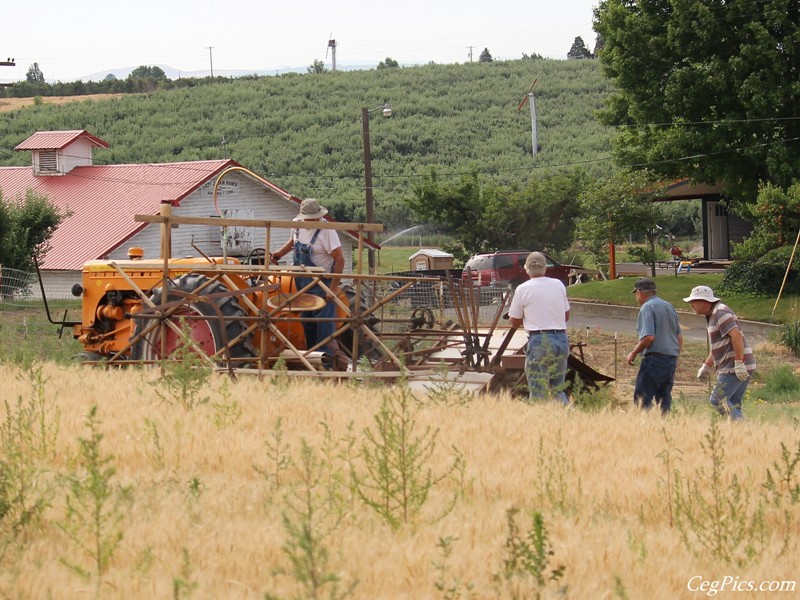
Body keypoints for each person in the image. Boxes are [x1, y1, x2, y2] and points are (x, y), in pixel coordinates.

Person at [270, 198, 345, 364]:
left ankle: (326, 361)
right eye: (309, 218)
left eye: (315, 218)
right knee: (306, 320)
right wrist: (279, 254)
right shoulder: (297, 225)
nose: (312, 221)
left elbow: (339, 259)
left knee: (324, 325)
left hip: (322, 284)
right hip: (302, 282)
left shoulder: (327, 231)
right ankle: (312, 359)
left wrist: (332, 288)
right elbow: (293, 243)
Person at [683, 285, 756, 421]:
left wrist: (739, 363)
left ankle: (745, 429)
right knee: (733, 404)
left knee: (717, 400)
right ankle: (740, 437)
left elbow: (736, 336)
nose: (691, 305)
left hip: (733, 366)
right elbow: (719, 346)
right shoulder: (713, 314)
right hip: (739, 364)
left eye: (693, 301)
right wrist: (706, 366)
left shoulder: (720, 313)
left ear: (704, 301)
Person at [507, 252, 571, 404]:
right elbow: (566, 316)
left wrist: (528, 318)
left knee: (538, 390)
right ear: (545, 268)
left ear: (526, 269)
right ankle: (570, 418)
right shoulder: (558, 285)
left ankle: (539, 421)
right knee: (557, 389)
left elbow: (514, 322)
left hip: (539, 340)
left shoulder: (522, 289)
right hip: (561, 339)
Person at [626, 277, 683, 413]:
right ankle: (665, 428)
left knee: (642, 398)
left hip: (654, 359)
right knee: (664, 400)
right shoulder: (669, 306)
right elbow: (679, 338)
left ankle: (647, 429)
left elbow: (648, 337)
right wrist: (674, 356)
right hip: (671, 359)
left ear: (639, 293)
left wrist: (633, 353)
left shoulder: (647, 308)